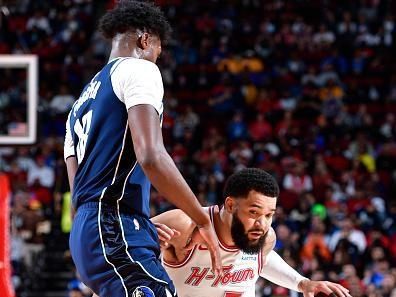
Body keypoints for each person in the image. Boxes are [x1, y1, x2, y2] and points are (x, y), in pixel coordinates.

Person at [63, 1, 221, 297]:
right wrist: (201, 219)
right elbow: (151, 156)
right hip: (112, 226)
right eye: (157, 53)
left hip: (88, 235)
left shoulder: (78, 104)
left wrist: (139, 224)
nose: (156, 60)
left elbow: (79, 196)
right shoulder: (139, 69)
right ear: (145, 39)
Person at [152, 168, 351, 297]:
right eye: (254, 212)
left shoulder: (265, 238)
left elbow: (261, 261)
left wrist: (302, 283)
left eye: (269, 215)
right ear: (230, 205)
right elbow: (123, 240)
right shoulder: (184, 225)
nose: (262, 224)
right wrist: (146, 249)